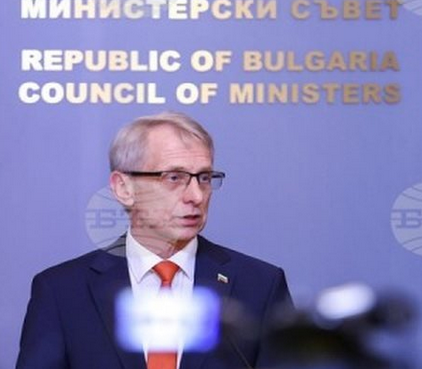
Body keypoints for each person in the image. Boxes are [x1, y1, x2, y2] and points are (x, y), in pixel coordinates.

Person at [16, 112, 292, 369]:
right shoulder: (62, 291)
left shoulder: (260, 286)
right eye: (174, 177)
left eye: (204, 178)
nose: (196, 196)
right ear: (124, 188)